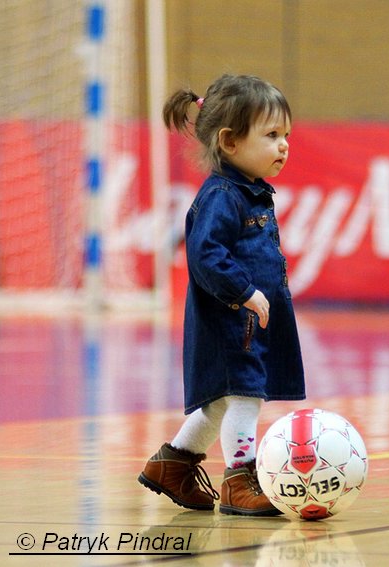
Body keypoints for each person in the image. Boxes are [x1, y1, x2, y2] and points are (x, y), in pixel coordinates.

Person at [138, 74, 306, 516]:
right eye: (271, 135)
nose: (284, 145)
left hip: (245, 322)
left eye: (286, 134)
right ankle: (239, 479)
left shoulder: (249, 194)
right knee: (244, 396)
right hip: (229, 321)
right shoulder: (221, 196)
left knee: (218, 402)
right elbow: (205, 255)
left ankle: (171, 465)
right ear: (229, 142)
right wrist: (245, 291)